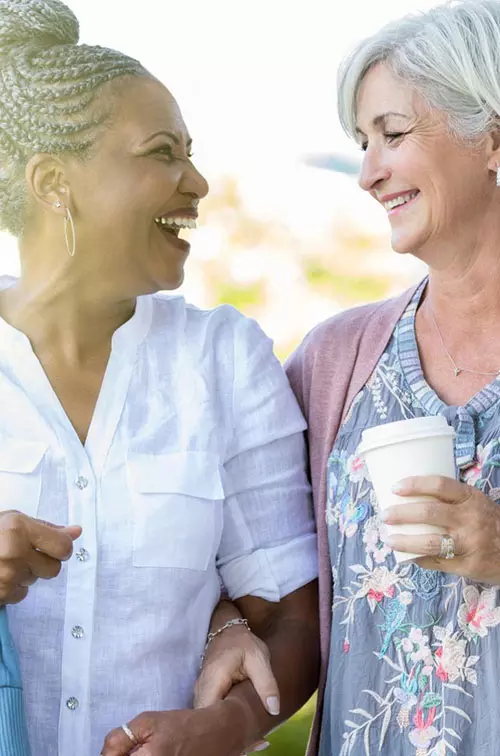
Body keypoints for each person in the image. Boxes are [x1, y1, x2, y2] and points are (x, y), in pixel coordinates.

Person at [0, 1, 320, 755]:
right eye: (162, 153)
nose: (198, 181)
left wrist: (229, 724)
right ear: (54, 182)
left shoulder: (223, 359)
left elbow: (293, 615)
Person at [284, 1, 500, 754]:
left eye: (394, 135)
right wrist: (227, 634)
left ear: (493, 136)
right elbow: (252, 564)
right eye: (361, 143)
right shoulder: (334, 361)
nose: (369, 174)